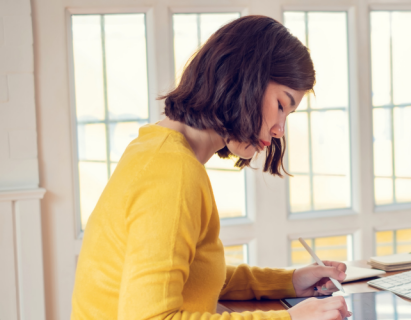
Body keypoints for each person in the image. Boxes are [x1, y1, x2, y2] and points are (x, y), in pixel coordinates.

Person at [71, 15, 351, 320]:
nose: (279, 129)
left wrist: (289, 280)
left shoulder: (156, 147)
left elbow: (192, 274)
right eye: (281, 105)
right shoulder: (172, 172)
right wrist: (291, 318)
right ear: (243, 79)